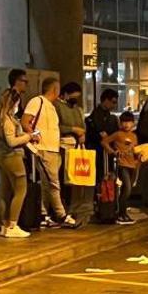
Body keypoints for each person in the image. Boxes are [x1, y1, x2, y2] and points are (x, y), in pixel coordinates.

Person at [22, 77, 77, 229]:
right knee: (54, 183)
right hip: (44, 149)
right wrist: (33, 136)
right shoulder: (37, 101)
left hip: (53, 149)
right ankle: (61, 214)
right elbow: (25, 121)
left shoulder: (51, 106)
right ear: (54, 89)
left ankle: (44, 214)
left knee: (48, 184)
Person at [0, 89, 33, 238]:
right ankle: (13, 225)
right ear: (14, 102)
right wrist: (28, 137)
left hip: (1, 157)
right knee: (21, 190)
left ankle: (4, 225)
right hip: (12, 157)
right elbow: (11, 141)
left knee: (5, 191)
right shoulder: (7, 119)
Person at [55, 82, 90, 225]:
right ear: (66, 94)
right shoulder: (57, 106)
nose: (75, 99)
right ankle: (63, 209)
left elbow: (82, 125)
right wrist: (73, 129)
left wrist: (81, 133)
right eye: (73, 96)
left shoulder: (77, 109)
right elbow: (58, 126)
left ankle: (74, 208)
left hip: (76, 146)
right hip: (63, 145)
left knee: (76, 179)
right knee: (64, 178)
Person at [101, 112, 139, 225]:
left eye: (129, 122)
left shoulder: (134, 136)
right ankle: (121, 214)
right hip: (122, 165)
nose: (126, 124)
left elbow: (136, 150)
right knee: (126, 189)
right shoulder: (118, 134)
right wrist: (113, 152)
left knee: (127, 190)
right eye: (124, 122)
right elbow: (104, 142)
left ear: (133, 123)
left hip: (132, 165)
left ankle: (122, 214)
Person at [86, 89, 120, 178]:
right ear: (105, 100)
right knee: (101, 176)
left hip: (104, 152)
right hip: (99, 152)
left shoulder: (109, 117)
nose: (114, 105)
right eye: (113, 102)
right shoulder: (95, 118)